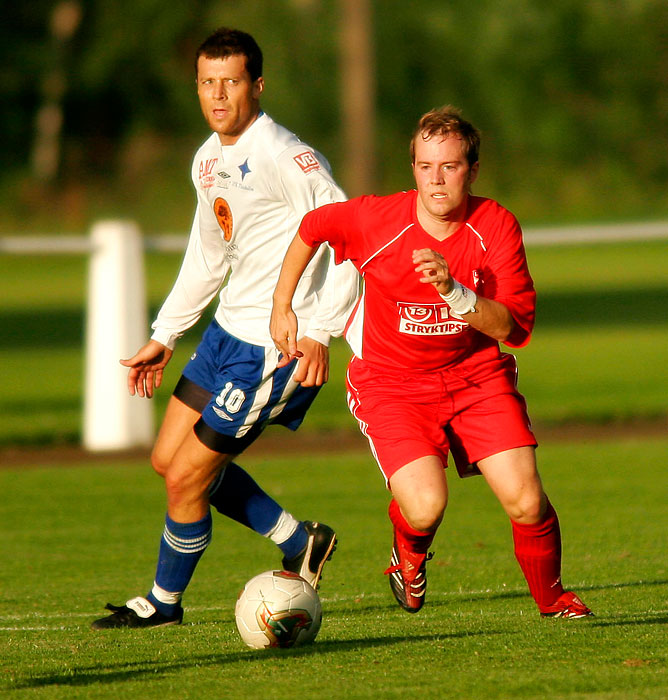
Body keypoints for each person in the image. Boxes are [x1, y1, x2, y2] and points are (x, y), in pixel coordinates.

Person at [270, 106, 593, 619]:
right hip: (392, 384)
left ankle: (554, 602)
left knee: (527, 501)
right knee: (425, 506)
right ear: (413, 168)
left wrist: (454, 292)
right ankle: (408, 558)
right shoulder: (379, 219)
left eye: (450, 166)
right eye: (425, 166)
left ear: (473, 169)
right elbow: (313, 227)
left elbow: (513, 327)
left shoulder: (496, 226)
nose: (436, 179)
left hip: (475, 378)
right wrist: (282, 304)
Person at [91, 27, 359, 630]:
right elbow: (207, 256)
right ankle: (300, 540)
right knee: (168, 460)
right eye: (207, 84)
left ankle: (164, 603)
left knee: (190, 474)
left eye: (231, 82)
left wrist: (318, 329)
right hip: (224, 334)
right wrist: (166, 334)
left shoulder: (285, 154)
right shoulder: (208, 160)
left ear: (256, 85)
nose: (218, 96)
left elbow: (347, 237)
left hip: (273, 347)